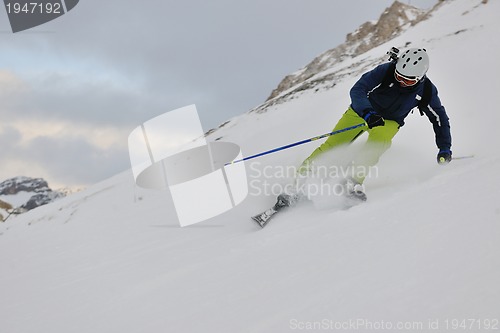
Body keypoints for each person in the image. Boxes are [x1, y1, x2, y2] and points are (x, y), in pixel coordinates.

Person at [277, 47, 452, 207]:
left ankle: (351, 183)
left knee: (377, 144)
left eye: (407, 81)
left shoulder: (426, 91)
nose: (401, 82)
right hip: (362, 111)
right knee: (333, 145)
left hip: (389, 121)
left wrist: (444, 148)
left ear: (420, 78)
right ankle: (299, 183)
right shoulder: (385, 71)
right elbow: (358, 89)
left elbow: (439, 118)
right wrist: (367, 112)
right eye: (399, 76)